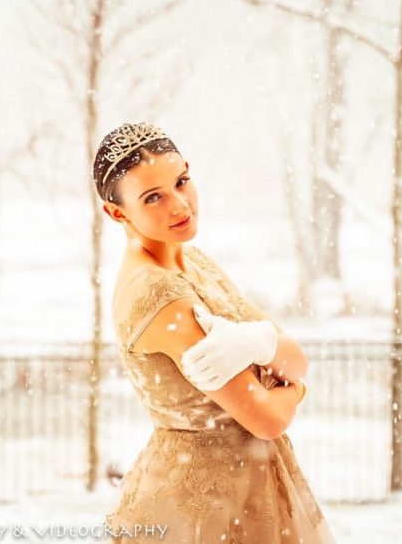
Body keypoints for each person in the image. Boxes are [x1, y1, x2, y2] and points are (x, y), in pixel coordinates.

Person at [93, 122, 336, 543]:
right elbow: (266, 419)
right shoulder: (157, 294)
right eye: (153, 197)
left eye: (182, 182)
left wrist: (259, 344)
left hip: (253, 487)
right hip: (203, 506)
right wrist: (293, 387)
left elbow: (297, 359)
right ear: (117, 212)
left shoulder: (195, 261)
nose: (179, 205)